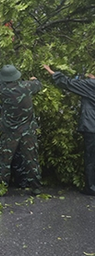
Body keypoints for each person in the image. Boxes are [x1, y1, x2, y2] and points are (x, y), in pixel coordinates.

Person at [43, 64, 95, 195]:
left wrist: (52, 72)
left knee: (91, 158)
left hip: (92, 127)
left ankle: (91, 188)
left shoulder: (90, 85)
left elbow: (68, 83)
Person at [0, 65, 42, 191]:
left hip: (10, 132)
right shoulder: (26, 86)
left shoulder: (2, 91)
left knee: (3, 161)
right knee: (31, 159)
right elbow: (38, 85)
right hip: (27, 130)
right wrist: (34, 79)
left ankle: (1, 188)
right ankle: (36, 187)